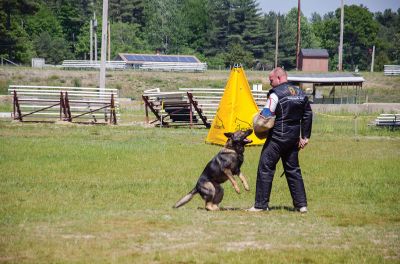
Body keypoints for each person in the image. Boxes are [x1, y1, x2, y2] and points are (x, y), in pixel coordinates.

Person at [248, 67, 313, 213]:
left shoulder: (275, 94)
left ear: (279, 78)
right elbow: (308, 115)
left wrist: (257, 122)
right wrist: (305, 137)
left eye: (271, 80)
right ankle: (301, 205)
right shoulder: (301, 93)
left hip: (277, 138)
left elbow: (267, 114)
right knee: (293, 170)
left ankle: (260, 205)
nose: (270, 83)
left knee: (265, 168)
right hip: (293, 139)